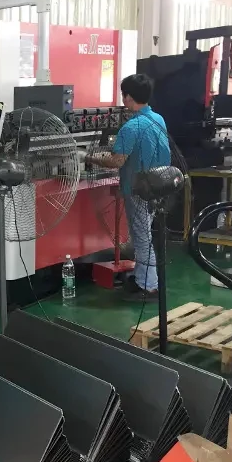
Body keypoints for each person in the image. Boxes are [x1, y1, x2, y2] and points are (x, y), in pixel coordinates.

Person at [85, 74, 170, 300]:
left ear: (128, 97)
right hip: (158, 186)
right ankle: (141, 278)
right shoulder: (158, 119)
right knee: (145, 234)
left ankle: (149, 286)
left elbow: (117, 161)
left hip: (138, 189)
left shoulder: (131, 127)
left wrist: (88, 157)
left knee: (142, 238)